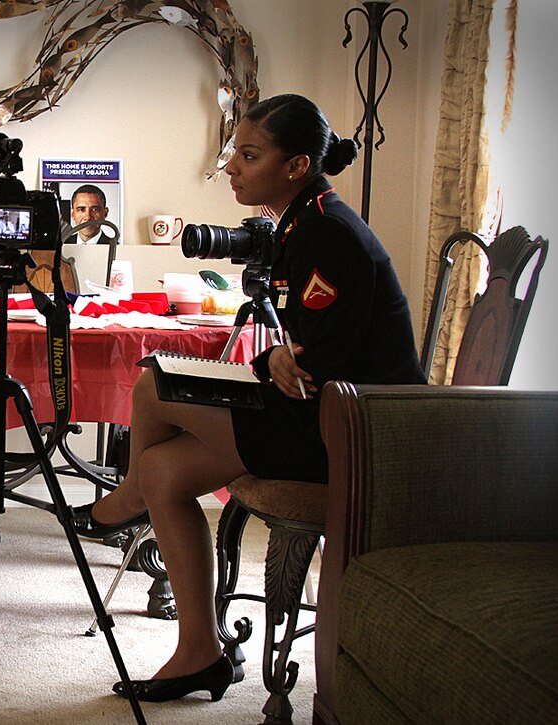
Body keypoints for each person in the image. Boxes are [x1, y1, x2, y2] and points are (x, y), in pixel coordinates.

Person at [71, 93, 426, 702]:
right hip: (321, 414)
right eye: (236, 152)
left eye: (249, 154)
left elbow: (318, 366)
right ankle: (197, 652)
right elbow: (301, 354)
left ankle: (121, 502)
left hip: (350, 436)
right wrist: (277, 359)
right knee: (163, 468)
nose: (232, 166)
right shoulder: (302, 221)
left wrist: (277, 360)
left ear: (295, 166)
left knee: (154, 383)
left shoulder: (328, 233)